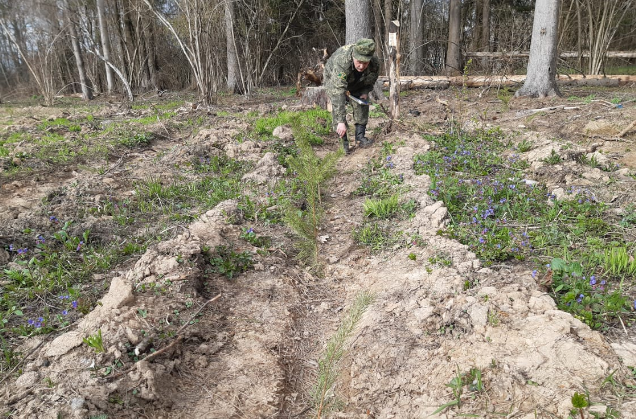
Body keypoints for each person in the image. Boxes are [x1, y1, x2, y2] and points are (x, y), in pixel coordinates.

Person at [324, 38, 380, 154]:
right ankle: (343, 143)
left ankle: (360, 137)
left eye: (365, 63)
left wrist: (365, 92)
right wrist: (340, 121)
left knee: (362, 103)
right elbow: (338, 90)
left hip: (356, 81)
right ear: (354, 56)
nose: (361, 66)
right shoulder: (342, 61)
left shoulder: (374, 63)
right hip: (333, 79)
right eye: (359, 61)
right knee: (338, 106)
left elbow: (370, 80)